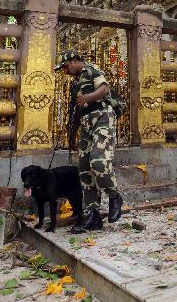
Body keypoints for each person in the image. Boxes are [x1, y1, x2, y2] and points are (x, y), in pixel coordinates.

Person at [55, 50, 123, 234]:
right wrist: (72, 132)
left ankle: (115, 196)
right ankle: (93, 215)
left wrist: (88, 98)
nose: (65, 71)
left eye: (66, 66)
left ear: (75, 61)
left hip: (102, 118)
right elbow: (78, 109)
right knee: (84, 170)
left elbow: (104, 89)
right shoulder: (76, 83)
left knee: (98, 161)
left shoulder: (92, 69)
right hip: (86, 124)